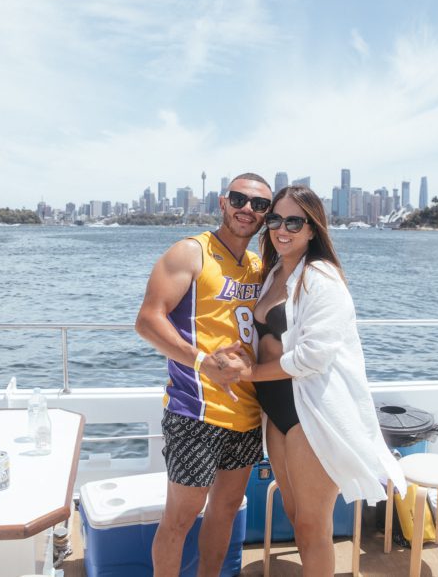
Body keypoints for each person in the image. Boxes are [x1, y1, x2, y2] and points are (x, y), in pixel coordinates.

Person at [240, 185, 407, 576]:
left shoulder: (320, 276)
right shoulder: (275, 272)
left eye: (294, 222)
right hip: (276, 410)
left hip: (308, 412)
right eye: (275, 220)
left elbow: (313, 356)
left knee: (314, 524)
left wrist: (250, 373)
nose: (282, 229)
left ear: (313, 229)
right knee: (297, 515)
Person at [135, 172, 273, 577]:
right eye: (240, 199)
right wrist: (201, 362)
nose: (248, 209)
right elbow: (147, 320)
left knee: (226, 511)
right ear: (222, 202)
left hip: (246, 413)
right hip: (195, 412)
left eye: (259, 204)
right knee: (180, 517)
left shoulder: (258, 265)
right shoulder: (190, 252)